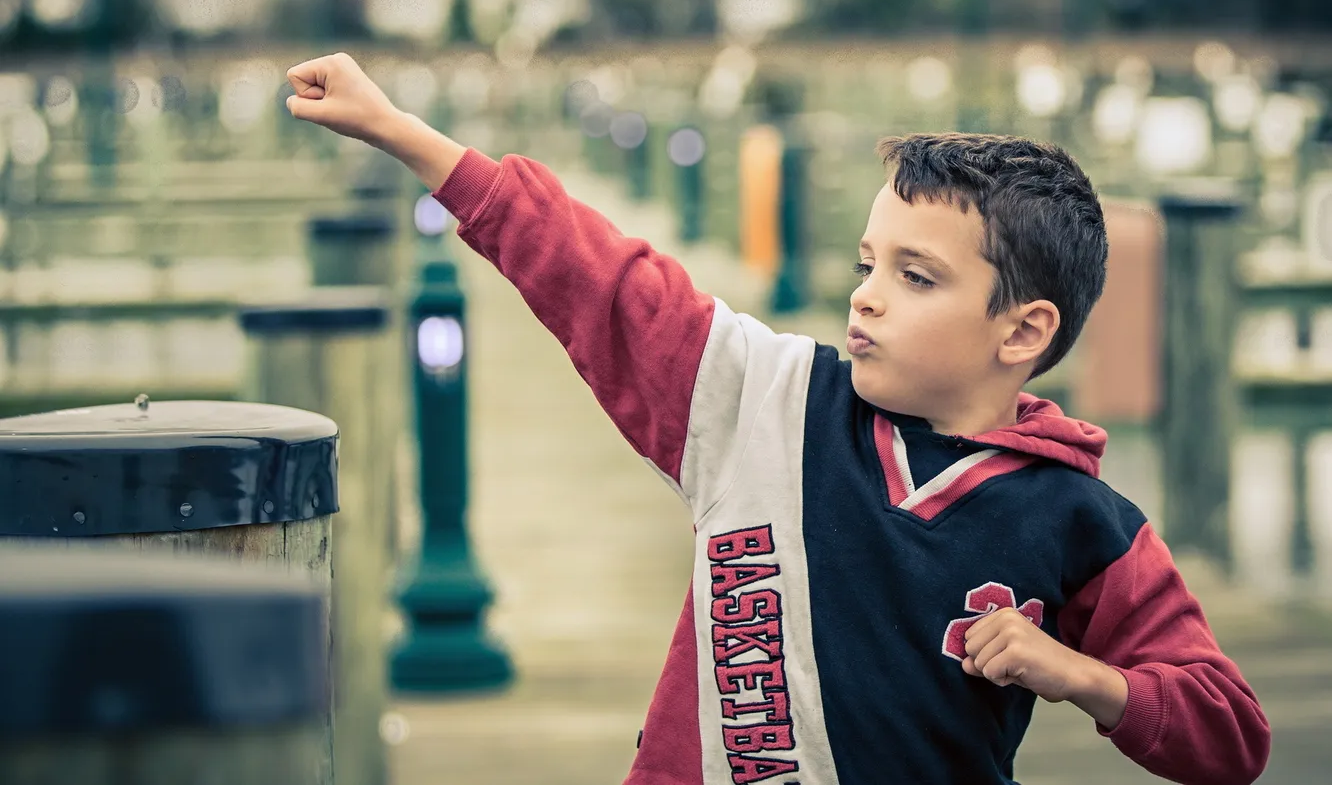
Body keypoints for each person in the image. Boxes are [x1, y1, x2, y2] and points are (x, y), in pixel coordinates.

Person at [284, 52, 1270, 785]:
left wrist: (1082, 674)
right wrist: (405, 134)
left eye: (915, 276)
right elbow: (599, 275)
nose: (868, 297)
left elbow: (1231, 733)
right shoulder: (763, 396)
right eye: (866, 263)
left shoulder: (1078, 517)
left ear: (1024, 331)